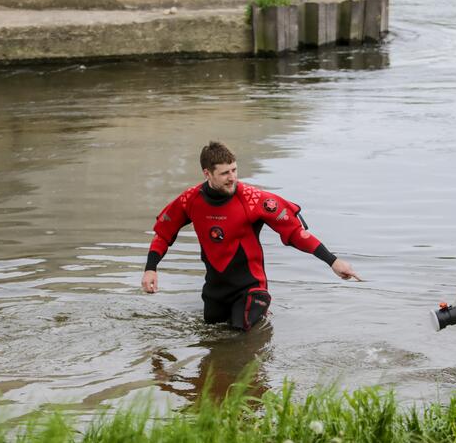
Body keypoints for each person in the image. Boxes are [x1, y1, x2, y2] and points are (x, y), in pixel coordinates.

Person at [141, 141, 360, 331]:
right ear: (207, 173)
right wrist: (150, 269)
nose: (232, 178)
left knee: (238, 338)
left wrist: (332, 261)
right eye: (225, 173)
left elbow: (295, 232)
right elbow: (163, 234)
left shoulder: (253, 199)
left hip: (251, 289)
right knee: (213, 342)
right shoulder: (190, 200)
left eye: (234, 170)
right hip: (215, 291)